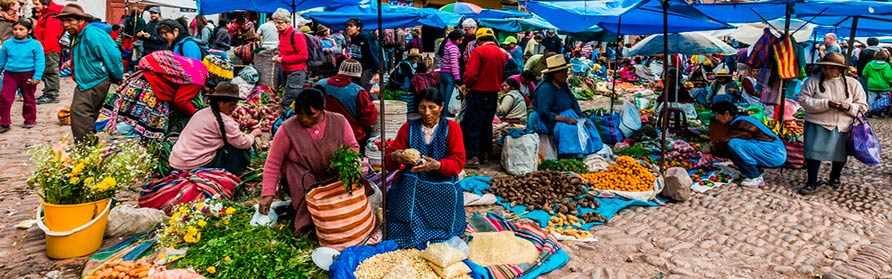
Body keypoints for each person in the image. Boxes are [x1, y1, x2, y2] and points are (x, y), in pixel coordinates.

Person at [258, 88, 360, 235]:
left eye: (311, 114)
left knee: (340, 208)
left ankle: (336, 223)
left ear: (322, 109)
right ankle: (306, 224)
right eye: (300, 114)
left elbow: (352, 147)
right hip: (302, 177)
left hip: (333, 175)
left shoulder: (339, 121)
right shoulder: (287, 129)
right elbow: (274, 162)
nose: (305, 119)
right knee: (298, 178)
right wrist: (268, 194)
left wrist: (344, 161)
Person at [385, 88, 466, 247]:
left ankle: (441, 233)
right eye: (422, 107)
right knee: (401, 194)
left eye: (432, 107)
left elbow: (458, 162)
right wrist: (397, 156)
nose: (427, 112)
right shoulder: (408, 128)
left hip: (442, 181)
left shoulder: (451, 127)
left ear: (441, 107)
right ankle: (408, 232)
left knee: (450, 194)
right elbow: (389, 159)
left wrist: (438, 165)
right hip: (413, 180)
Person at [798, 53, 868, 195]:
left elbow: (863, 106)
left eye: (832, 68)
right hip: (817, 123)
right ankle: (811, 182)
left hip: (842, 125)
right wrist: (826, 103)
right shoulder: (812, 81)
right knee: (813, 153)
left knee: (840, 154)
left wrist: (847, 107)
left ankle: (835, 177)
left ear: (840, 69)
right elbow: (804, 100)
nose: (828, 71)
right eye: (825, 68)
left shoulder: (853, 84)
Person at [57, 4, 123, 142]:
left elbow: (112, 54)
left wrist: (117, 76)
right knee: (87, 115)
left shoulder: (92, 33)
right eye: (64, 21)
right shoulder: (78, 34)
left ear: (81, 20)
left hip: (94, 80)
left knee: (79, 113)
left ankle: (86, 149)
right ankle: (89, 147)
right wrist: (72, 62)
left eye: (70, 21)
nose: (66, 24)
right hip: (88, 80)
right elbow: (87, 54)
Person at [170, 82, 259, 175]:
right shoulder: (225, 121)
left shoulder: (202, 112)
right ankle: (231, 174)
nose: (234, 108)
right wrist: (254, 134)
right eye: (231, 105)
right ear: (219, 102)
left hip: (177, 161)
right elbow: (243, 143)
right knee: (240, 150)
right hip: (192, 164)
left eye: (235, 105)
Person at [530, 54, 602, 158]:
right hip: (551, 120)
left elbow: (573, 101)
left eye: (565, 71)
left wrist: (581, 115)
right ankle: (570, 155)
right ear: (554, 74)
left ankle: (588, 150)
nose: (566, 74)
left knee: (588, 124)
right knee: (569, 129)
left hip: (569, 116)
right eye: (563, 72)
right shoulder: (545, 89)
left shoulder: (563, 85)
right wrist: (565, 119)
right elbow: (544, 112)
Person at [709, 101, 786, 187]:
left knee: (733, 144)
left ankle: (755, 176)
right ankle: (749, 172)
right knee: (731, 146)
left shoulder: (742, 123)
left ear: (726, 114)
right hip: (770, 150)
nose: (716, 118)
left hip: (774, 154)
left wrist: (712, 147)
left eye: (717, 114)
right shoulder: (741, 119)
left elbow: (726, 141)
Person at [461, 28, 509, 167]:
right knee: (486, 124)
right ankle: (485, 155)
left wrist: (467, 85)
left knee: (472, 125)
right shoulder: (501, 54)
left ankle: (472, 156)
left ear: (479, 40)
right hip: (493, 94)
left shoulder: (479, 51)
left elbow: (471, 75)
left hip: (478, 93)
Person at [316, 59, 378, 145]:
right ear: (358, 76)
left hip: (319, 131)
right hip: (351, 135)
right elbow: (370, 118)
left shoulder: (320, 84)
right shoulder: (358, 91)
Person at [0, 19, 45, 133]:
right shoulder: (7, 44)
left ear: (29, 31)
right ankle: (4, 122)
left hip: (28, 75)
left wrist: (37, 77)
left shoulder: (35, 44)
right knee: (5, 97)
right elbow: (2, 60)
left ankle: (29, 119)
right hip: (10, 75)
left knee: (28, 98)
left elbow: (40, 61)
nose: (17, 32)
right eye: (15, 29)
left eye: (21, 29)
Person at [272, 9, 308, 110]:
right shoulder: (281, 34)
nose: (277, 25)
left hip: (297, 72)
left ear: (287, 22)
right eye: (275, 23)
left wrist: (282, 59)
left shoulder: (296, 35)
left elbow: (303, 56)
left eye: (279, 23)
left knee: (288, 100)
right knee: (286, 96)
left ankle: (288, 122)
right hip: (285, 70)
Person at [32, 0, 63, 104]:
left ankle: (51, 95)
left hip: (50, 48)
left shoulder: (52, 16)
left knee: (50, 71)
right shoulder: (47, 14)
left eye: (37, 4)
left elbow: (51, 36)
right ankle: (48, 92)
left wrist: (44, 50)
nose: (35, 6)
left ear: (45, 4)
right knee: (47, 71)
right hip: (46, 48)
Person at [345, 18, 380, 89]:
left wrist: (376, 72)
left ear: (358, 27)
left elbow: (373, 54)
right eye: (347, 26)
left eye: (351, 26)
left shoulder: (365, 37)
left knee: (366, 90)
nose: (348, 28)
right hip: (357, 69)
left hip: (367, 70)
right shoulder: (353, 37)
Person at [437, 29, 463, 115]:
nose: (461, 41)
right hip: (449, 75)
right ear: (455, 39)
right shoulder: (453, 48)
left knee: (442, 97)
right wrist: (457, 77)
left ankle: (440, 113)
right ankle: (444, 116)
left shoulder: (445, 45)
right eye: (460, 39)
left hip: (442, 73)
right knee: (447, 98)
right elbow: (454, 63)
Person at [861, 49, 892, 116]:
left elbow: (864, 73)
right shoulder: (886, 65)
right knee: (884, 100)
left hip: (871, 85)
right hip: (884, 86)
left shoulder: (869, 64)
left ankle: (869, 111)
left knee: (871, 99)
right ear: (885, 57)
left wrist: (869, 77)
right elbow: (888, 76)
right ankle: (881, 111)